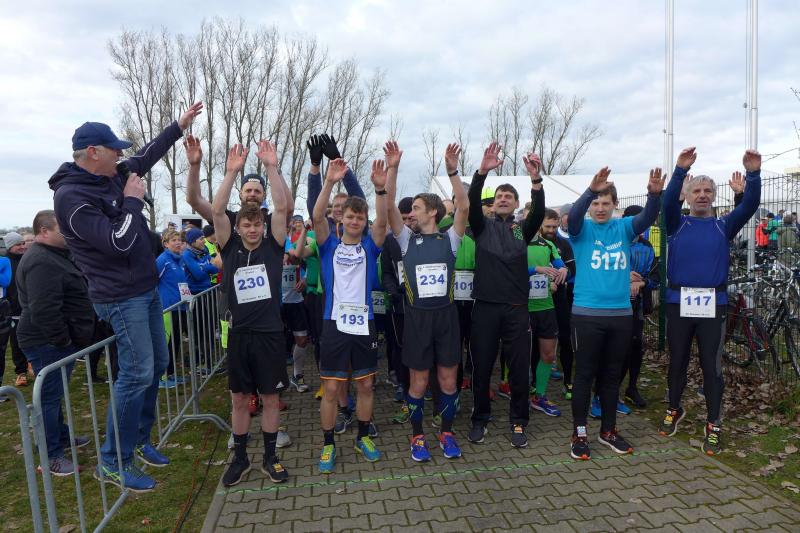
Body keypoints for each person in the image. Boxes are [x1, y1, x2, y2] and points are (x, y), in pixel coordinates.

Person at [50, 101, 203, 491]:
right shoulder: (71, 197)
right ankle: (112, 461)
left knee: (157, 363)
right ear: (92, 153)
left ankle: (138, 439)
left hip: (144, 288)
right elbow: (117, 243)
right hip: (119, 296)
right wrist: (133, 201)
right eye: (113, 149)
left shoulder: (112, 174)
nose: (121, 156)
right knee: (135, 373)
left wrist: (178, 126)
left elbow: (146, 155)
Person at [660, 147, 761, 456]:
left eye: (707, 191)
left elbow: (750, 205)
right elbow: (667, 202)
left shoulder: (723, 225)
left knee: (710, 364)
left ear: (714, 196)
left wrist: (754, 174)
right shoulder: (676, 223)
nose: (702, 195)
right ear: (688, 196)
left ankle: (714, 422)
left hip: (712, 304)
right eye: (697, 191)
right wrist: (679, 171)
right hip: (678, 302)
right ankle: (674, 407)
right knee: (677, 360)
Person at [567, 166, 663, 461]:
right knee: (584, 375)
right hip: (586, 315)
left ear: (615, 205)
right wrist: (590, 190)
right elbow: (573, 217)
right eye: (596, 203)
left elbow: (648, 217)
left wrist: (654, 195)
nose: (600, 208)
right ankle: (579, 433)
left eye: (605, 203)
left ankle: (608, 430)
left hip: (620, 314)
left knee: (611, 377)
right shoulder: (581, 230)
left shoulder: (623, 227)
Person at [212, 141, 291, 486]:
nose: (252, 229)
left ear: (263, 225)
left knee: (271, 398)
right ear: (239, 227)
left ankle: (270, 457)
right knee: (240, 399)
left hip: (270, 334)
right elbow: (217, 211)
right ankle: (240, 458)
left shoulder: (273, 247)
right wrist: (231, 172)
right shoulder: (229, 248)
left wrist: (272, 166)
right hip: (240, 335)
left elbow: (283, 207)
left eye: (257, 224)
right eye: (246, 225)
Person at [384, 141, 468, 461]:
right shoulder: (407, 240)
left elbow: (464, 206)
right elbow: (389, 206)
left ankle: (446, 432)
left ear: (433, 211)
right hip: (417, 318)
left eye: (417, 208)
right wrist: (392, 169)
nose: (411, 213)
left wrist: (453, 172)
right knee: (418, 382)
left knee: (448, 379)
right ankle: (417, 436)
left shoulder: (451, 239)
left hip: (446, 317)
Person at [466, 143, 545, 448]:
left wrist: (536, 180)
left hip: (516, 309)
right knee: (482, 367)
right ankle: (480, 418)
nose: (502, 200)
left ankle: (519, 421)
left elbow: (538, 212)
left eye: (508, 197)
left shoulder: (521, 230)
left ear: (515, 205)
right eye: (499, 196)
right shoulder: (481, 226)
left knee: (519, 370)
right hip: (485, 308)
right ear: (493, 202)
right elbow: (471, 202)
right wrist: (482, 172)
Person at [313, 155, 388, 474]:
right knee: (331, 388)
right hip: (334, 324)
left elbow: (383, 224)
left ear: (364, 221)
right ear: (341, 219)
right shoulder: (328, 246)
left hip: (364, 324)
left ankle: (362, 437)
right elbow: (316, 215)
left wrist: (380, 190)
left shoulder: (370, 247)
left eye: (360, 217)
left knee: (366, 385)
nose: (355, 221)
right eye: (350, 216)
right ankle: (328, 443)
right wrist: (329, 181)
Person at [16, 210, 94, 475]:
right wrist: (63, 340)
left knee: (54, 394)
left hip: (52, 340)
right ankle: (50, 456)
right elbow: (44, 308)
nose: (69, 233)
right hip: (45, 341)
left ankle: (60, 436)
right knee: (48, 398)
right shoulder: (41, 261)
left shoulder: (55, 255)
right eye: (63, 229)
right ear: (44, 231)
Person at [184, 135, 294, 237]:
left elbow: (288, 209)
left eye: (257, 191)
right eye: (248, 190)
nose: (252, 194)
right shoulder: (227, 219)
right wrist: (194, 166)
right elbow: (194, 200)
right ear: (240, 194)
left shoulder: (271, 221)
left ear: (264, 196)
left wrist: (275, 169)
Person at [527, 209, 568, 417]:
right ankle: (519, 395)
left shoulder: (548, 245)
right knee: (521, 355)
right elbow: (507, 271)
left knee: (548, 354)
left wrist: (563, 270)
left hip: (545, 307)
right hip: (521, 308)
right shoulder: (517, 243)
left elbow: (560, 265)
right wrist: (536, 269)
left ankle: (540, 396)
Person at [621, 205, 659, 408]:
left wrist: (642, 283)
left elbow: (656, 277)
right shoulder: (614, 243)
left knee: (636, 347)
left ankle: (632, 388)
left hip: (637, 306)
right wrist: (623, 278)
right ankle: (605, 389)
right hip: (613, 305)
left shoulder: (647, 246)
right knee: (615, 347)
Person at [306, 134, 367, 237]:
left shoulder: (358, 227)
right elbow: (315, 207)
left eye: (343, 206)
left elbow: (359, 199)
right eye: (336, 206)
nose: (339, 209)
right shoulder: (326, 230)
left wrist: (337, 159)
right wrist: (315, 164)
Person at [156, 230, 189, 388]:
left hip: (180, 307)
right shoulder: (163, 260)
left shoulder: (180, 260)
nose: (178, 243)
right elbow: (152, 280)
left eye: (179, 240)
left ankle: (170, 373)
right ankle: (161, 377)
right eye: (174, 240)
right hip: (167, 308)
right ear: (166, 244)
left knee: (175, 342)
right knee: (166, 343)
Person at [0, 231, 31, 387]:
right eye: (18, 244)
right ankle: (21, 372)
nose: (22, 246)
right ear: (9, 246)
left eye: (23, 243)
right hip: (13, 309)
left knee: (34, 337)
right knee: (16, 341)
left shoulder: (28, 259)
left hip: (31, 306)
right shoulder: (5, 262)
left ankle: (32, 364)